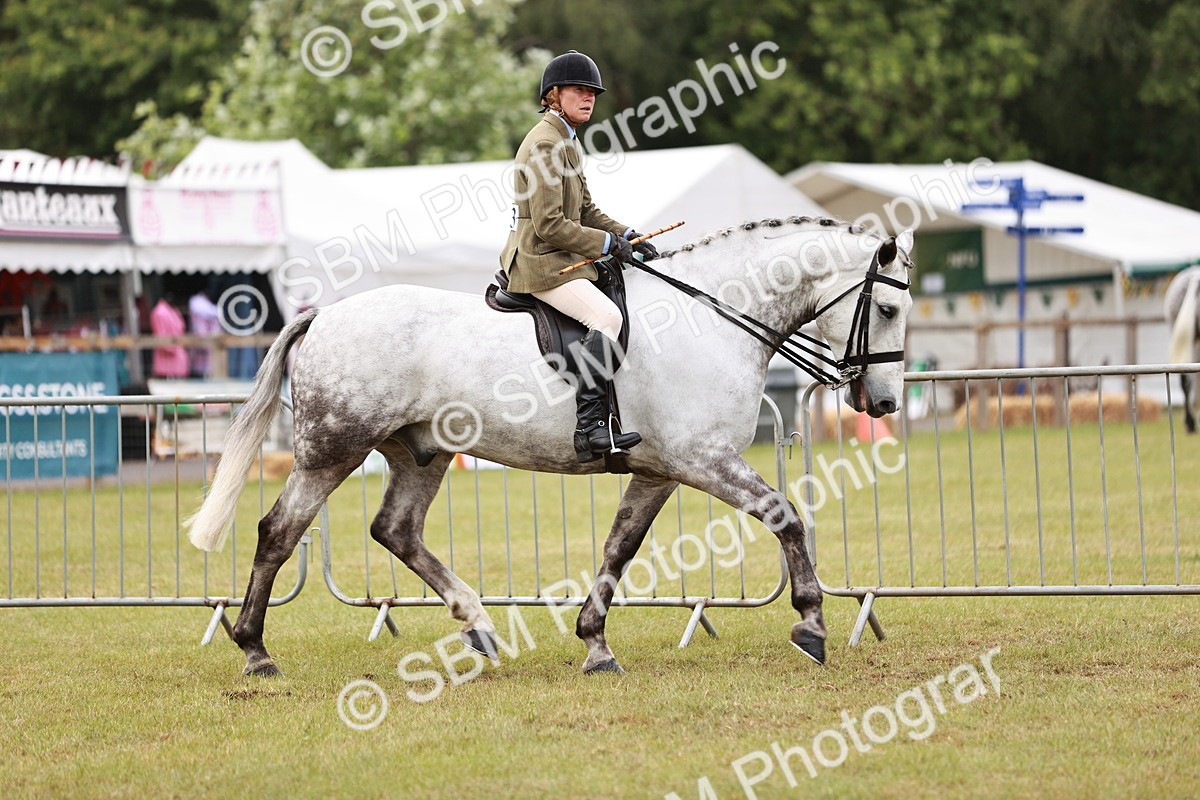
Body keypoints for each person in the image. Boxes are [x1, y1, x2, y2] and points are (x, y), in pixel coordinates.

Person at [499, 50, 659, 464]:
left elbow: (585, 211)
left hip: (561, 254)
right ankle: (589, 428)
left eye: (592, 92)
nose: (588, 98)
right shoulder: (547, 144)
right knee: (607, 318)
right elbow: (550, 224)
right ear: (553, 95)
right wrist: (607, 246)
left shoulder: (567, 140)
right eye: (578, 90)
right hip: (541, 260)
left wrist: (627, 235)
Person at [149, 293, 188, 378]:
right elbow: (161, 336)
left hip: (177, 358)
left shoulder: (172, 310)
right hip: (167, 361)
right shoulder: (159, 312)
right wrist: (173, 347)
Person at [187, 288, 221, 379]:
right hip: (200, 335)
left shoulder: (205, 304)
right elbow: (216, 313)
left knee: (208, 363)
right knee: (199, 362)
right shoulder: (196, 302)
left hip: (208, 338)